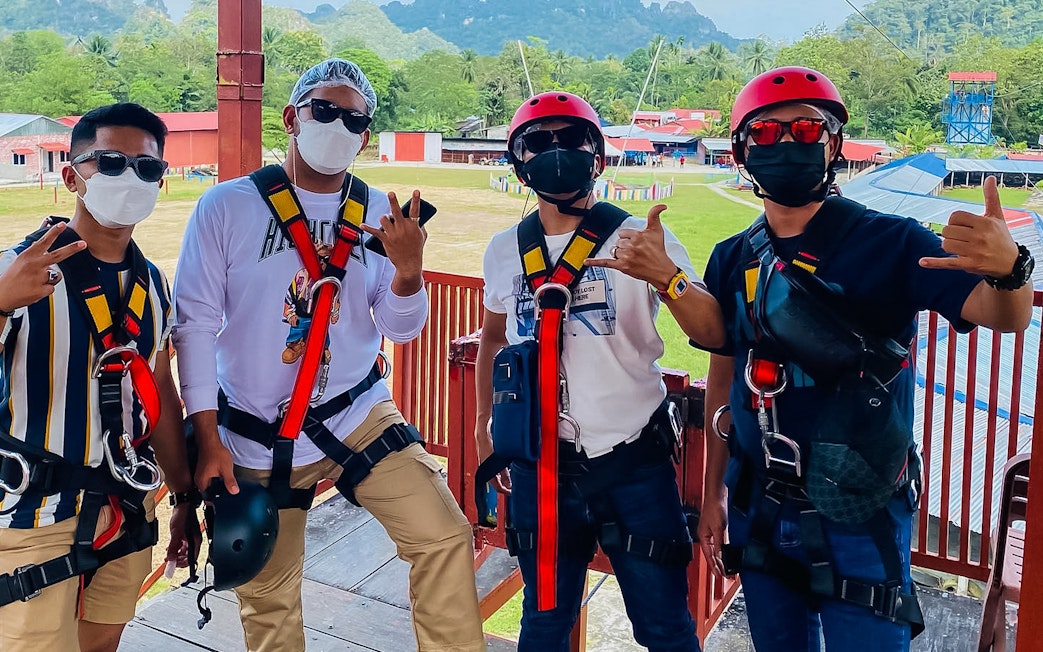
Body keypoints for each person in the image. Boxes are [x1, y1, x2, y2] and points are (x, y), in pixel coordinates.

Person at [695, 66, 1034, 652]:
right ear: (743, 151)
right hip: (758, 501)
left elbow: (1002, 314)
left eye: (805, 129)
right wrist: (711, 493)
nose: (786, 144)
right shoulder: (731, 258)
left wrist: (1012, 270)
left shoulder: (894, 243)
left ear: (832, 146)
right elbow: (723, 375)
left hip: (861, 507)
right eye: (766, 134)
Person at [172, 58, 486, 652]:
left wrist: (409, 270)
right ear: (292, 117)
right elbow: (193, 328)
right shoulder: (227, 207)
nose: (338, 125)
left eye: (355, 118)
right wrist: (207, 437)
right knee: (269, 597)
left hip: (357, 413)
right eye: (324, 111)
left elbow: (401, 327)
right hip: (253, 428)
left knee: (443, 535)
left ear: (366, 136)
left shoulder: (380, 216)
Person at [474, 91, 725, 652]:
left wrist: (667, 277)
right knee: (542, 624)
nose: (555, 152)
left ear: (599, 157)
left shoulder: (638, 236)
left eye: (572, 141)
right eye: (539, 143)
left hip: (633, 459)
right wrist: (485, 420)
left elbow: (712, 332)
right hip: (542, 465)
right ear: (519, 161)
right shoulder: (503, 250)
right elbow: (494, 336)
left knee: (663, 625)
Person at [0, 103, 196, 652]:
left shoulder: (151, 285)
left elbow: (159, 394)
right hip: (33, 515)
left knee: (102, 643)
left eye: (147, 168)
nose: (129, 178)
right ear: (71, 177)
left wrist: (183, 497)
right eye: (109, 163)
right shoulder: (17, 270)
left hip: (126, 506)